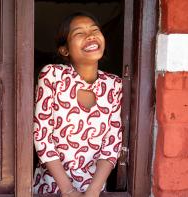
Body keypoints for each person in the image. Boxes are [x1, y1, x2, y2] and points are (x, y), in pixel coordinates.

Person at [33, 11, 123, 197]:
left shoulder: (113, 84)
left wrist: (92, 191)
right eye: (79, 33)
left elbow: (111, 144)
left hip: (95, 189)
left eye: (95, 30)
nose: (90, 35)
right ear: (64, 50)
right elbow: (42, 137)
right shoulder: (53, 76)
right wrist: (68, 191)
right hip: (52, 188)